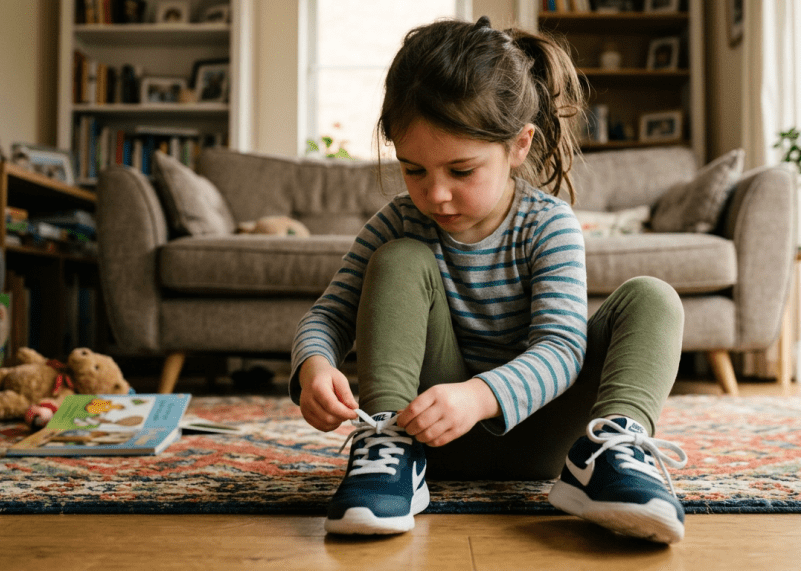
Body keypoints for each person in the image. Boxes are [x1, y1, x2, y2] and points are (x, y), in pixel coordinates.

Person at [290, 16, 689, 544]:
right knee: (399, 258)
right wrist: (313, 365)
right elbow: (328, 315)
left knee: (653, 298)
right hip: (424, 438)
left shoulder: (547, 224)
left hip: (547, 439)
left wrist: (478, 396)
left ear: (519, 145)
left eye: (461, 171)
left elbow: (564, 347)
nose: (435, 195)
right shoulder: (398, 222)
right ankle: (386, 457)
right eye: (414, 170)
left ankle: (608, 456)